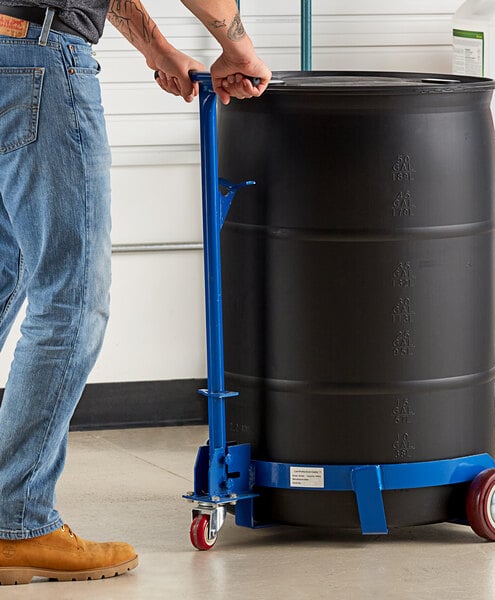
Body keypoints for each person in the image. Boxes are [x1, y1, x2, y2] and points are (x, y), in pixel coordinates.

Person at [0, 0, 271, 585]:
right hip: (42, 60)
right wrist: (238, 44)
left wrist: (159, 50)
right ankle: (16, 524)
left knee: (10, 268)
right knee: (69, 302)